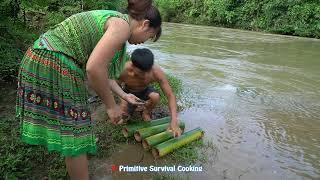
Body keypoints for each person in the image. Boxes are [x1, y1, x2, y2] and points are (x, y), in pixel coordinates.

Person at [16, 0, 161, 179]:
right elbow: (94, 69)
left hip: (40, 55)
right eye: (148, 37)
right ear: (145, 24)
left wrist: (124, 95)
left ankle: (78, 163)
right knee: (77, 135)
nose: (142, 42)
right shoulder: (121, 26)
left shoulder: (114, 20)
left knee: (73, 130)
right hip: (56, 61)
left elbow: (104, 74)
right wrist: (111, 106)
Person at [118, 48, 182, 137]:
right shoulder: (123, 70)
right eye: (141, 73)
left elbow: (170, 95)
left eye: (148, 72)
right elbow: (115, 87)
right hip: (128, 92)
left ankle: (146, 112)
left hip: (145, 90)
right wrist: (123, 101)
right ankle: (130, 109)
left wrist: (174, 120)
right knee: (121, 119)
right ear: (132, 66)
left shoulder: (156, 71)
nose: (145, 75)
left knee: (155, 96)